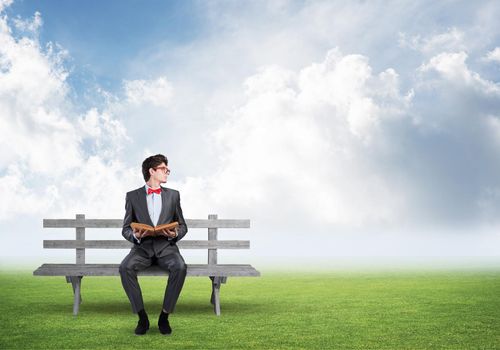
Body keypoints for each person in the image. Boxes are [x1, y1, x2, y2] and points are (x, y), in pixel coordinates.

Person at [119, 154, 188, 335]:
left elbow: (182, 225)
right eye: (164, 169)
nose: (167, 172)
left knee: (180, 267)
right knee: (125, 267)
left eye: (167, 170)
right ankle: (142, 317)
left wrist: (175, 233)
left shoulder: (174, 195)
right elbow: (126, 228)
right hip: (142, 248)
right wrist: (135, 235)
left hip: (167, 248)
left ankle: (164, 316)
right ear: (152, 171)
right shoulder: (132, 196)